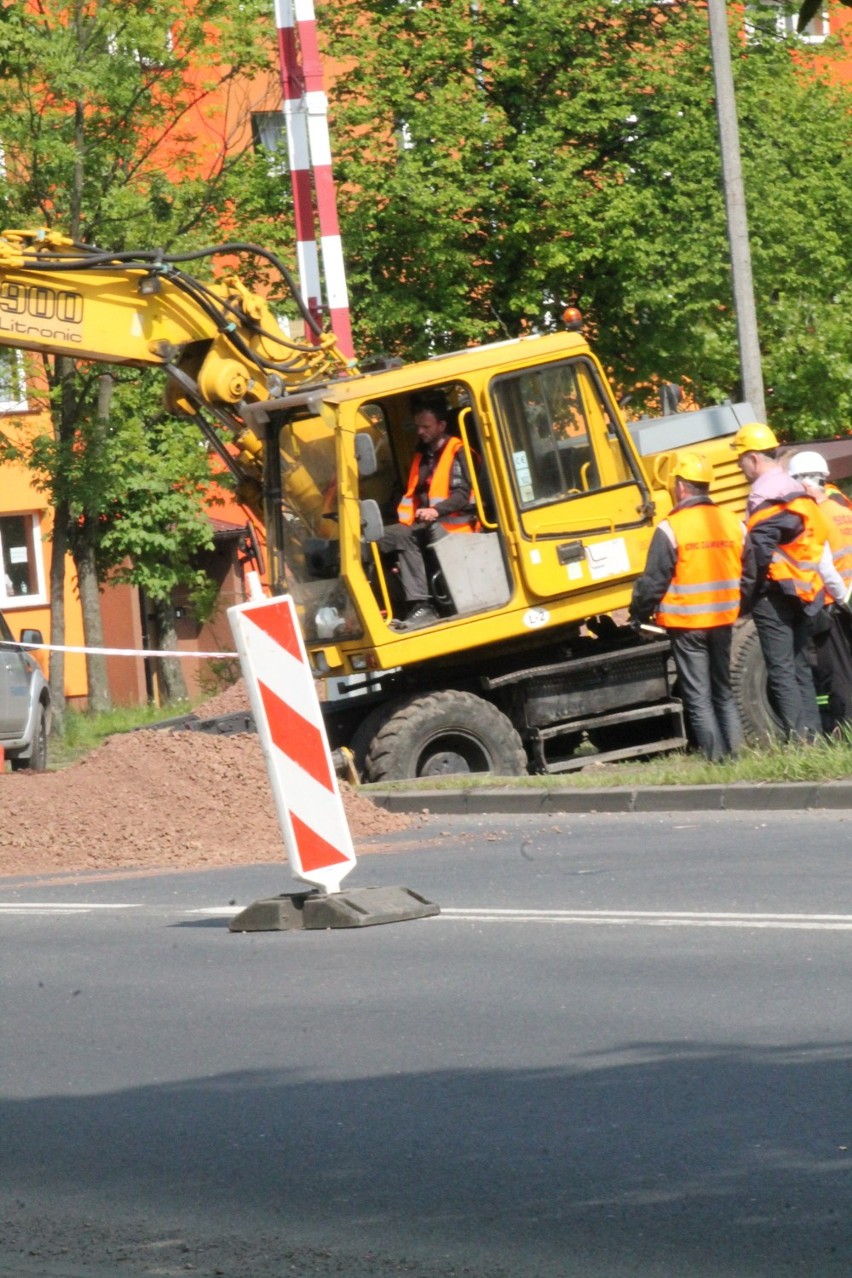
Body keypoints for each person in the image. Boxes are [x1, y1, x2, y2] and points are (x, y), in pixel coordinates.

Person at [630, 450, 753, 761]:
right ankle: (737, 758)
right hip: (723, 621)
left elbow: (653, 581)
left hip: (687, 625)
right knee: (723, 691)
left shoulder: (671, 528)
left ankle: (716, 761)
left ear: (681, 486)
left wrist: (638, 615)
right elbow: (751, 572)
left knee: (698, 697)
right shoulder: (733, 523)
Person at [732, 423, 845, 742]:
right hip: (803, 590)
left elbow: (759, 552)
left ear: (753, 458)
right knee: (798, 667)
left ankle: (802, 740)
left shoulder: (764, 494)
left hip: (774, 593)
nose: (740, 467)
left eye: (740, 459)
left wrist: (746, 596)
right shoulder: (795, 490)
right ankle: (812, 735)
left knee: (781, 668)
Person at [379, 392, 478, 631]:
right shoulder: (423, 455)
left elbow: (464, 494)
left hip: (457, 525)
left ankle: (422, 605)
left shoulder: (458, 452)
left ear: (442, 425)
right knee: (378, 537)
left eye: (426, 426)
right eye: (418, 427)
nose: (420, 431)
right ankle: (394, 604)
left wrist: (435, 511)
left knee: (405, 536)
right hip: (426, 522)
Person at [786, 450, 852, 733]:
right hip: (848, 599)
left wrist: (841, 597)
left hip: (833, 604)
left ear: (802, 482)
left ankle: (844, 729)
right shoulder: (843, 511)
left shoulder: (815, 518)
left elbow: (825, 568)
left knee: (836, 674)